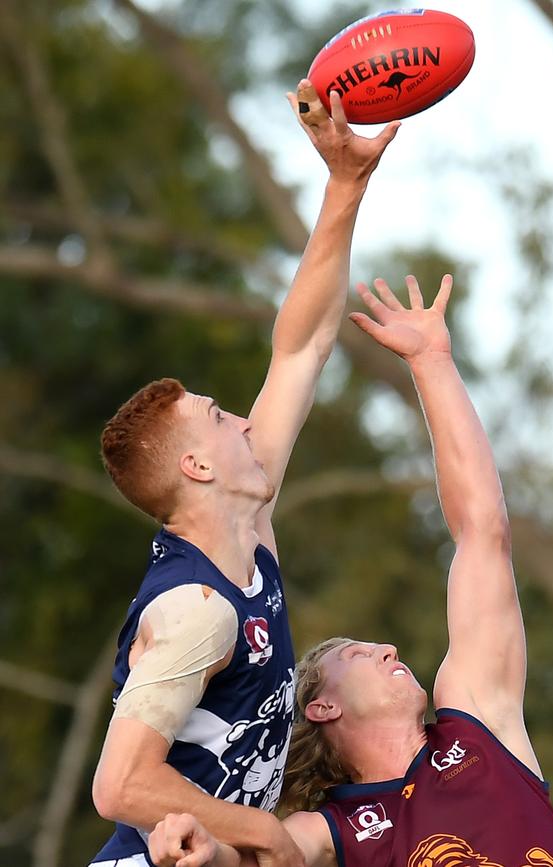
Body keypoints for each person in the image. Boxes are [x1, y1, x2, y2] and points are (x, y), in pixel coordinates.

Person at [147, 274, 553, 867]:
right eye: (353, 654)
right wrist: (197, 848)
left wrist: (432, 361)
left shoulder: (480, 723)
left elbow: (484, 534)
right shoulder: (331, 830)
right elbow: (256, 855)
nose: (387, 650)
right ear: (322, 707)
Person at [89, 79, 400, 867]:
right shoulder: (198, 610)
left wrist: (343, 187)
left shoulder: (248, 534)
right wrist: (264, 833)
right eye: (219, 417)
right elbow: (120, 784)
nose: (239, 419)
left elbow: (300, 347)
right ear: (196, 466)